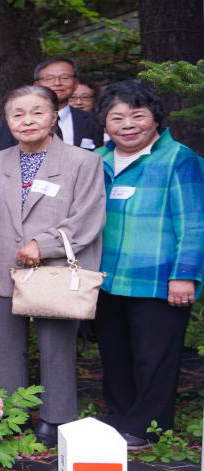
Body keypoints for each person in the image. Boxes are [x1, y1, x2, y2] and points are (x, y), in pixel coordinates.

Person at [0, 85, 105, 448]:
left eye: (37, 112)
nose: (27, 120)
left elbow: (89, 217)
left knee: (56, 346)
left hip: (54, 270)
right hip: (3, 266)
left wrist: (43, 244)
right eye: (17, 114)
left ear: (54, 116)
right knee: (5, 349)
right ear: (7, 120)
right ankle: (13, 416)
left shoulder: (84, 161)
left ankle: (57, 417)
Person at [93, 79, 204, 449]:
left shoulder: (179, 158)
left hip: (159, 278)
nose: (128, 124)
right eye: (117, 117)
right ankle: (121, 414)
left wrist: (185, 275)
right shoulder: (98, 160)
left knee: (154, 356)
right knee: (114, 353)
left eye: (137, 115)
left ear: (155, 119)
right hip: (106, 278)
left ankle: (147, 425)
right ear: (105, 123)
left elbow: (194, 221)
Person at [0, 57, 103, 151]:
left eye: (64, 77)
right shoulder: (18, 122)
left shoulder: (93, 121)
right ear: (37, 85)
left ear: (75, 84)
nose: (57, 83)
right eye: (49, 78)